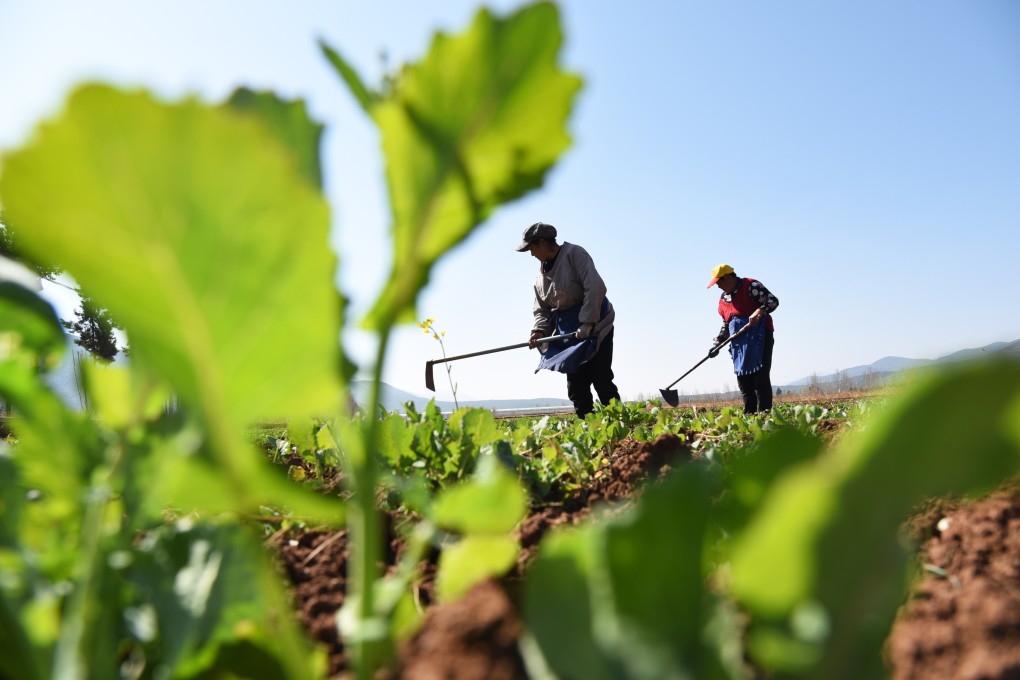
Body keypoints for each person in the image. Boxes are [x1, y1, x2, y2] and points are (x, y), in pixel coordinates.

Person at [517, 222, 621, 418]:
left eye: (531, 248)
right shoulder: (540, 278)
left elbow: (595, 287)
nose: (531, 254)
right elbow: (542, 310)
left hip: (597, 324)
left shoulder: (574, 254)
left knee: (601, 379)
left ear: (542, 242)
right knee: (577, 387)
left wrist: (588, 322)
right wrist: (538, 332)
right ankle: (590, 429)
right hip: (570, 332)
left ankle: (620, 424)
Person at [707, 263, 779, 414]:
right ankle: (749, 417)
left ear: (728, 278)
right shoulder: (723, 300)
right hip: (739, 344)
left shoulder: (751, 286)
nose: (718, 287)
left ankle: (765, 416)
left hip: (760, 338)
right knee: (744, 382)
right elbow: (727, 325)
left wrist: (759, 311)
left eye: (719, 283)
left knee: (760, 379)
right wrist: (718, 343)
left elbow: (773, 301)